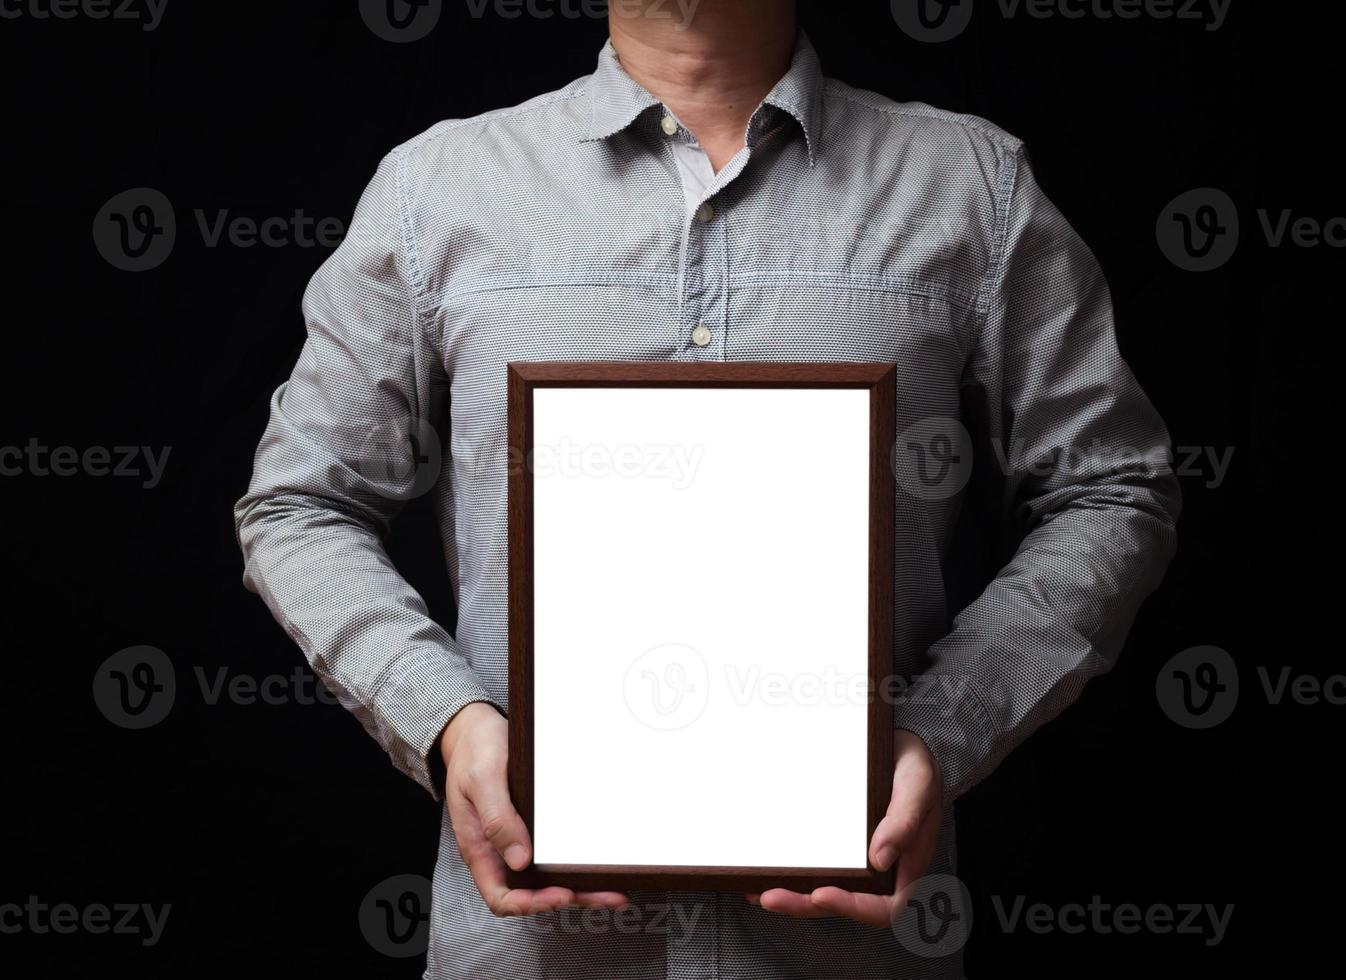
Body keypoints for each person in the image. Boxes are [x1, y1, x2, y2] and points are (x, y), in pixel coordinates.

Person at [234, 1, 1180, 976]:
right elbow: (299, 503)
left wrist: (942, 728)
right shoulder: (435, 190)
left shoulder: (968, 186)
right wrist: (445, 718)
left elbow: (1109, 489)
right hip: (532, 952)